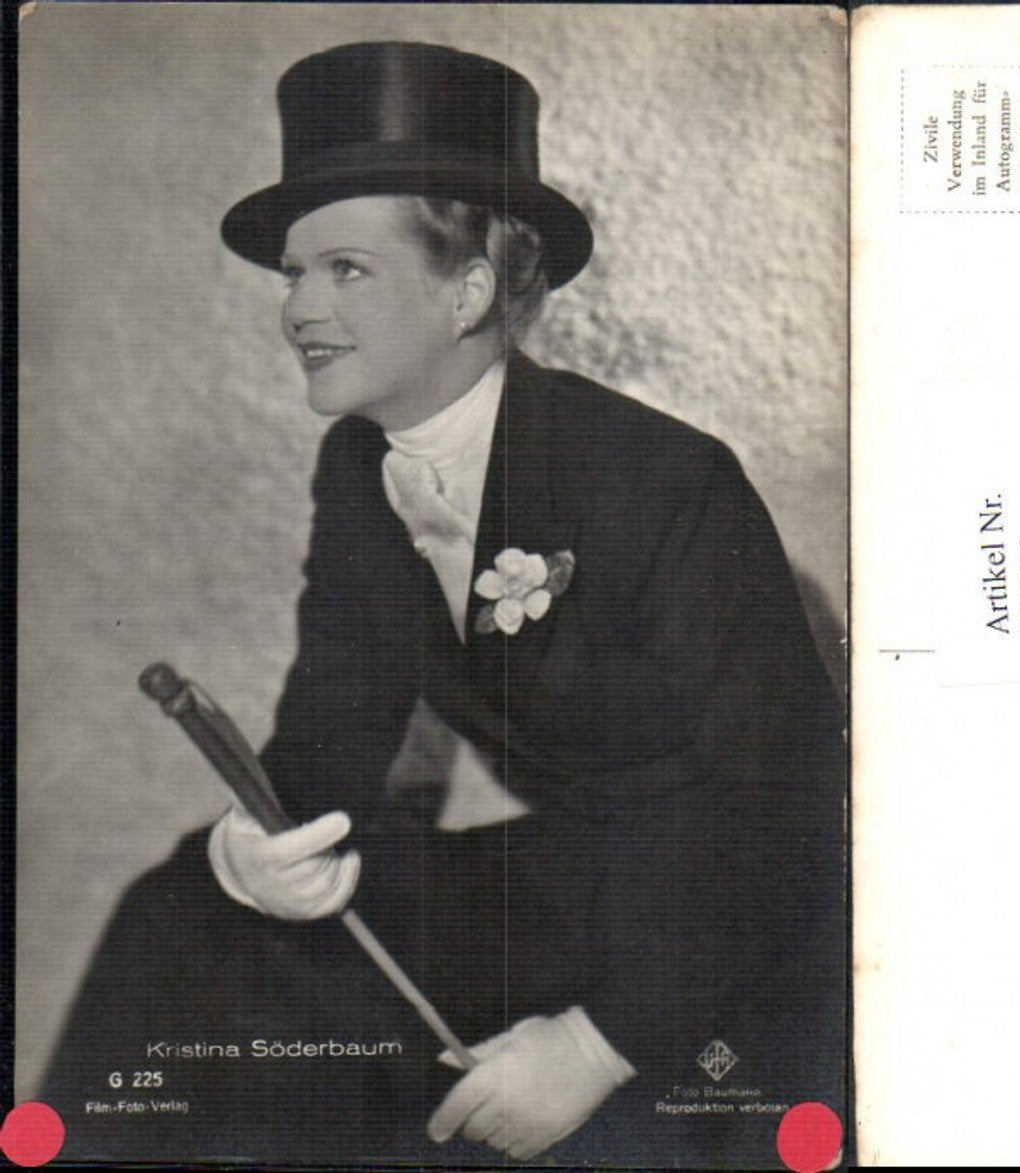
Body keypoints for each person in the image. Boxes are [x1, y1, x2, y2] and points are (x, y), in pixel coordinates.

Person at [42, 41, 847, 1167]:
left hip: (736, 917)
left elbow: (791, 817)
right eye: (293, 273)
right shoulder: (355, 465)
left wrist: (596, 1046)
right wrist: (256, 851)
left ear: (466, 291)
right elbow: (331, 733)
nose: (298, 309)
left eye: (345, 270)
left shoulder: (662, 477)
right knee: (177, 908)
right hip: (569, 884)